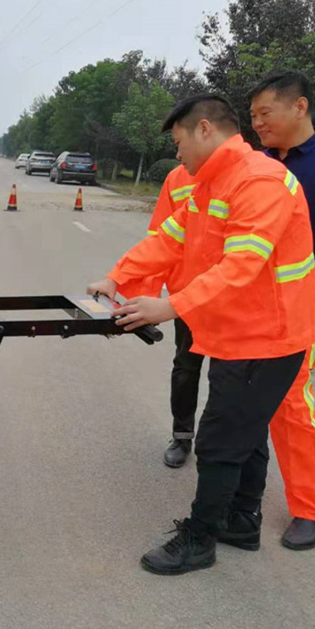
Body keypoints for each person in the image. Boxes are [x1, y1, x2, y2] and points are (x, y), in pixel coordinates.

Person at [88, 94, 315, 575]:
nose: (176, 154)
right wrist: (117, 278)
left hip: (267, 338)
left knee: (219, 440)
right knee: (246, 433)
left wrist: (170, 306)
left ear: (206, 130)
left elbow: (241, 266)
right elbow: (169, 239)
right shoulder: (212, 184)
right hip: (241, 335)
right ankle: (242, 521)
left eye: (178, 143)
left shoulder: (258, 181)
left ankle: (200, 538)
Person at [248, 71, 315, 549]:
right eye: (252, 117)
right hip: (248, 303)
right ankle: (239, 498)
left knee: (289, 401)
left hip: (303, 304)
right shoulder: (257, 163)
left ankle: (309, 508)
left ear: (299, 107)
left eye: (265, 113)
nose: (258, 124)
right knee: (241, 397)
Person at [118, 165, 203, 468]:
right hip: (186, 298)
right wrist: (150, 300)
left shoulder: (246, 174)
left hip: (230, 300)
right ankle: (182, 437)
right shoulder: (177, 178)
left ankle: (226, 448)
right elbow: (160, 240)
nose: (178, 153)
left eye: (180, 143)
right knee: (186, 369)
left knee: (230, 378)